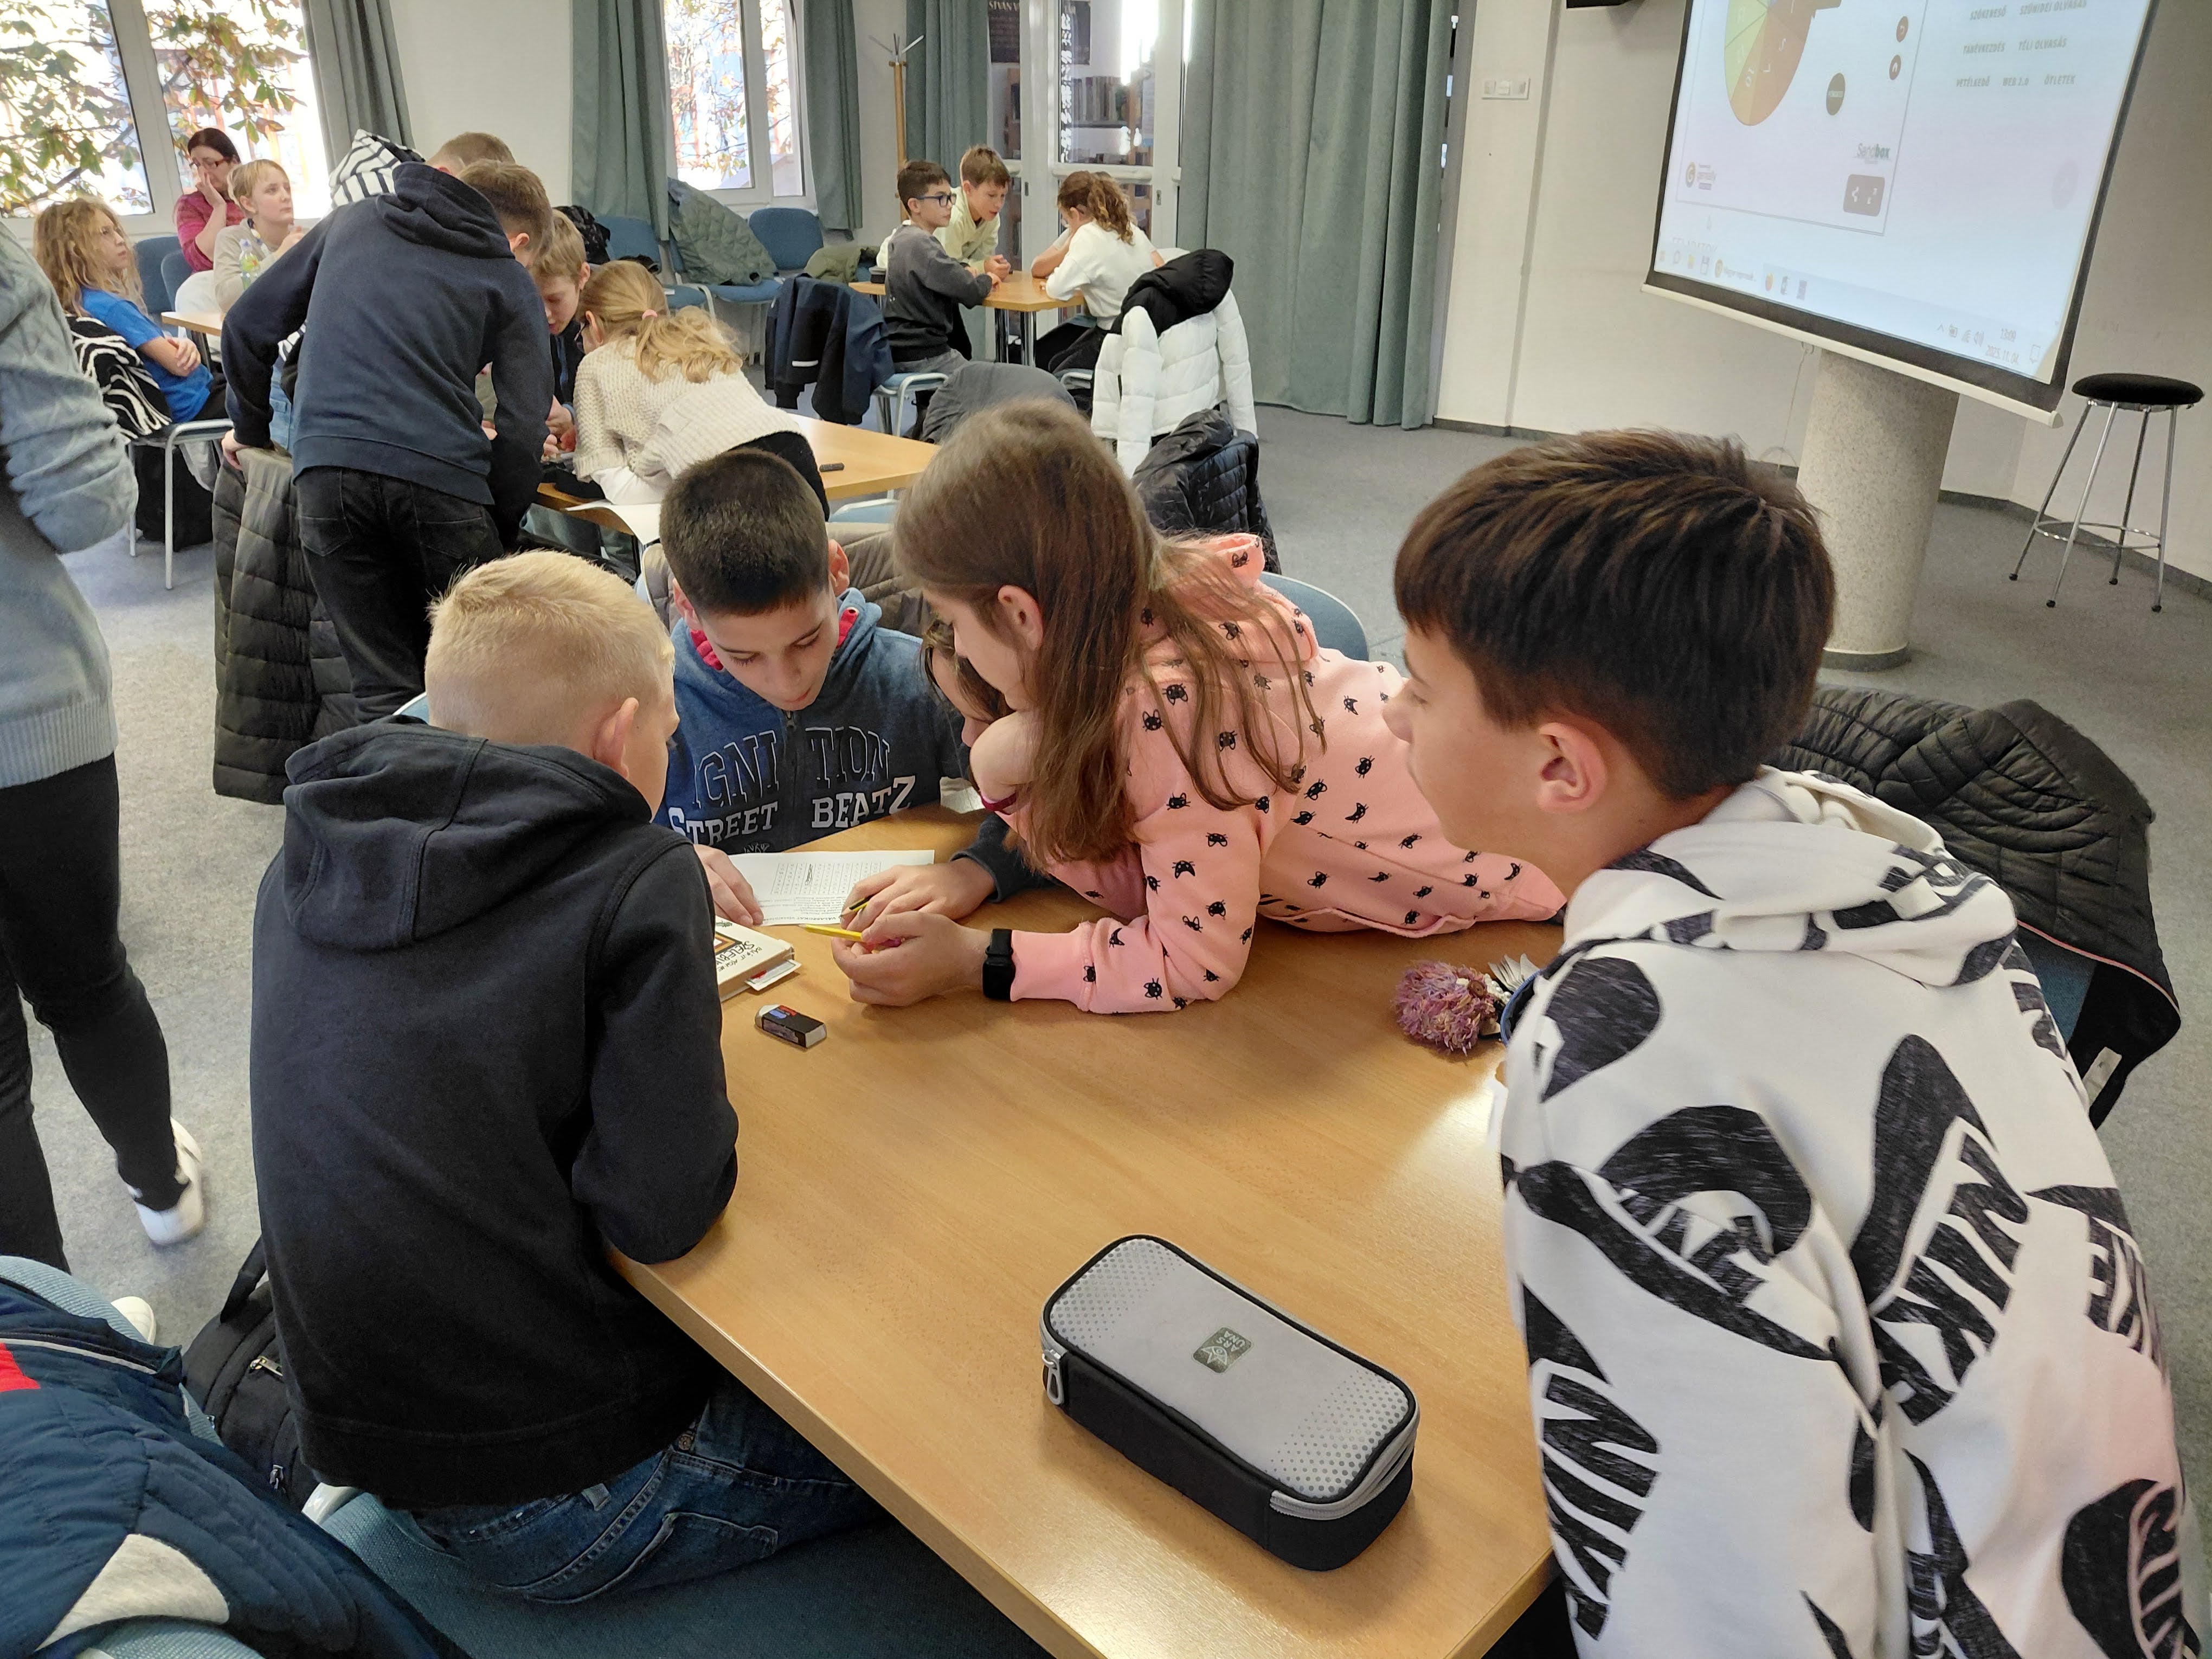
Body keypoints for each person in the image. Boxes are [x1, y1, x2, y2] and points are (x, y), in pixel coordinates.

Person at [1384, 431, 2203, 1652]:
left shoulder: (1621, 1050)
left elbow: (1723, 1588)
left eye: (1418, 685)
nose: (1390, 708)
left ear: (1559, 764)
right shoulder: (1911, 886)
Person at [250, 550, 877, 1600]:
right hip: (559, 1490)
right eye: (671, 732)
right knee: (909, 1430)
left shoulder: (308, 856)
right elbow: (662, 1214)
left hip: (360, 1439)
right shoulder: (638, 881)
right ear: (617, 737)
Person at [831, 400, 1560, 1011]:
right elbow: (1146, 888)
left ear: (1021, 616)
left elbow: (1189, 964)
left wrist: (978, 961)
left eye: (954, 622)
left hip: (1544, 873)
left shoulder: (1169, 716)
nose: (958, 644)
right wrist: (1011, 767)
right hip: (1508, 804)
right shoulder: (1149, 604)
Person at [0, 231, 197, 1268]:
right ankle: (161, 1191)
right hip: (22, 706)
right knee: (84, 983)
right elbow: (85, 505)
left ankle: (50, 1344)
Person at [221, 159, 555, 719]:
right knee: (489, 681)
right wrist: (494, 521)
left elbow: (245, 326)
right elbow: (525, 430)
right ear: (519, 242)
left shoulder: (350, 223)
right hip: (442, 482)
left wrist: (251, 431)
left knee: (382, 688)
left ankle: (398, 772)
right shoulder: (507, 276)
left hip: (327, 471)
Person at [656, 447, 1033, 912]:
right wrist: (659, 864)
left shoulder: (917, 679)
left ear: (837, 572)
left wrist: (977, 869)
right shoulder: (657, 707)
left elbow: (1054, 807)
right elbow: (593, 847)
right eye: (745, 657)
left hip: (888, 931)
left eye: (807, 641)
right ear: (687, 607)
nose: (786, 682)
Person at [570, 259, 798, 503]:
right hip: (790, 452)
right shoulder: (703, 337)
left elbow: (622, 490)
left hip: (725, 483)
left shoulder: (596, 365)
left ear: (593, 325)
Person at [33, 198, 221, 424]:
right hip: (197, 401)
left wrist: (180, 344)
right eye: (105, 233)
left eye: (116, 231)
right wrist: (190, 349)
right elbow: (180, 366)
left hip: (177, 404)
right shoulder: (111, 307)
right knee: (259, 389)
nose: (120, 240)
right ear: (76, 250)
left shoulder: (79, 304)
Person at [1028, 172, 1162, 377]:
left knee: (1058, 372)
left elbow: (1056, 289)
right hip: (1146, 332)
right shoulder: (1129, 229)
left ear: (1075, 214)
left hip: (1115, 335)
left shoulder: (1087, 236)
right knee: (1055, 361)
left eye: (1066, 219)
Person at [883, 159, 999, 390]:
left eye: (950, 197)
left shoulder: (900, 238)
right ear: (915, 205)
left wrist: (962, 270)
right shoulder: (923, 244)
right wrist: (987, 279)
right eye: (940, 198)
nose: (949, 205)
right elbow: (970, 292)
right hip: (926, 354)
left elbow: (945, 274)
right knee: (991, 387)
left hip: (899, 350)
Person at [532, 210, 590, 459]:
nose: (544, 314)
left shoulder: (604, 325)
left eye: (555, 299)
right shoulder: (528, 323)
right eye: (534, 301)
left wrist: (573, 416)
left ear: (583, 277)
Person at [211, 157, 306, 310]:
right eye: (272, 190)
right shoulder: (232, 238)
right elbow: (227, 299)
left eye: (287, 188)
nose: (286, 196)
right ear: (249, 204)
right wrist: (279, 256)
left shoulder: (307, 236)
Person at [936, 145, 1015, 280]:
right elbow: (947, 269)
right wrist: (985, 267)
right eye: (991, 195)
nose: (999, 204)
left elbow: (981, 261)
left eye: (1003, 196)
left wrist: (992, 266)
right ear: (968, 189)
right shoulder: (951, 215)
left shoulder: (992, 217)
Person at [175, 126, 244, 273]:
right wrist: (219, 207)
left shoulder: (251, 198)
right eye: (197, 165)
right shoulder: (189, 205)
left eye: (211, 163)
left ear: (234, 162)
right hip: (215, 281)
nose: (203, 172)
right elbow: (202, 261)